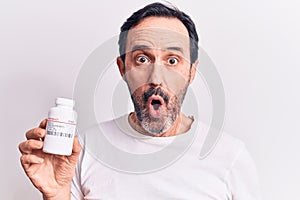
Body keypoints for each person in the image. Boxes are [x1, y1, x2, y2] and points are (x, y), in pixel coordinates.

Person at [19, 2, 261, 200]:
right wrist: (56, 193)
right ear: (122, 68)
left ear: (192, 72)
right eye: (142, 59)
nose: (156, 78)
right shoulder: (85, 149)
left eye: (172, 60)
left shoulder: (231, 157)